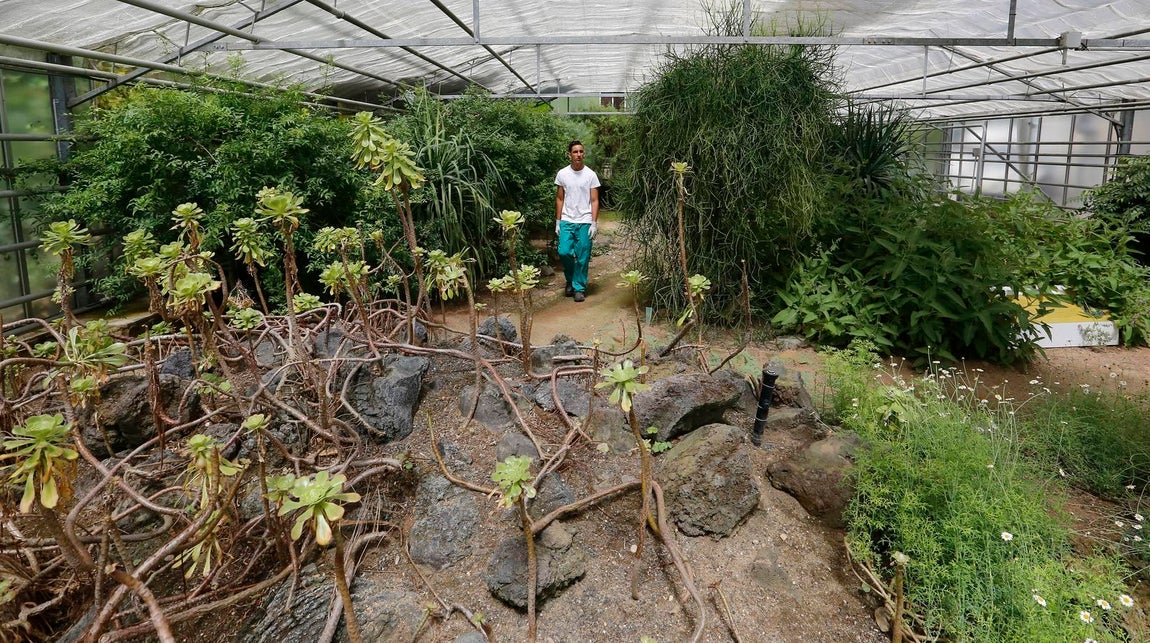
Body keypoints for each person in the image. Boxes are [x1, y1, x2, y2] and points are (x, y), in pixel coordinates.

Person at [554, 140, 600, 303]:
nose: (578, 154)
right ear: (569, 155)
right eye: (575, 152)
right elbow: (560, 198)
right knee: (564, 252)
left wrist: (594, 223)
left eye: (581, 151)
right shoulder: (562, 174)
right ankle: (571, 279)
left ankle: (578, 288)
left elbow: (594, 200)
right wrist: (558, 221)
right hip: (567, 219)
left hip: (585, 220)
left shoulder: (590, 175)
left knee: (582, 256)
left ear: (584, 154)